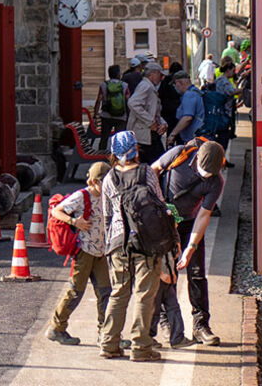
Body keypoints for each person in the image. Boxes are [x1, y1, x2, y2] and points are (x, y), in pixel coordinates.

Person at [150, 139, 227, 345]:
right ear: (197, 158)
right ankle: (166, 322)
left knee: (197, 274)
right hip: (165, 221)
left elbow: (203, 216)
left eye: (210, 174)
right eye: (203, 171)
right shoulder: (179, 154)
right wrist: (158, 202)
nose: (206, 176)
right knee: (167, 273)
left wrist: (190, 248)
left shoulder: (216, 182)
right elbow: (154, 170)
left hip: (190, 223)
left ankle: (201, 325)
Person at [99, 130, 167, 362]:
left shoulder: (109, 178)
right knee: (144, 295)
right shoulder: (146, 172)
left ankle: (109, 344)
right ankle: (140, 347)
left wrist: (108, 245)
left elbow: (107, 216)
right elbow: (160, 204)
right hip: (146, 242)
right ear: (135, 149)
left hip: (118, 243)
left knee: (118, 293)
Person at [45, 161, 114, 346]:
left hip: (100, 251)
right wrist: (74, 222)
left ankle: (105, 333)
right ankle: (56, 328)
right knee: (75, 291)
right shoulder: (81, 196)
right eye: (104, 182)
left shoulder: (107, 195)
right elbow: (56, 211)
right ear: (94, 181)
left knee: (105, 292)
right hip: (83, 251)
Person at [126, 62, 166, 157]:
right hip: (143, 134)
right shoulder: (145, 86)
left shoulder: (149, 87)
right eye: (160, 75)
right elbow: (133, 103)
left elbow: (154, 111)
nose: (162, 78)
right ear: (152, 74)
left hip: (149, 134)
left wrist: (163, 123)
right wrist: (150, 121)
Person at [169, 69, 205, 144]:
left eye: (175, 84)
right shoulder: (197, 92)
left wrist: (173, 134)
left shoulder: (189, 95)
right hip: (200, 136)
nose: (175, 87)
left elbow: (187, 118)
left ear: (179, 82)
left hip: (194, 139)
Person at [94, 65, 128, 138]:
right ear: (118, 74)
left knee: (104, 139)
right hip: (121, 116)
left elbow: (98, 100)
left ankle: (103, 146)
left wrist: (95, 115)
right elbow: (128, 100)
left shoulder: (103, 85)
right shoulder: (124, 85)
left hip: (106, 116)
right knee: (119, 139)